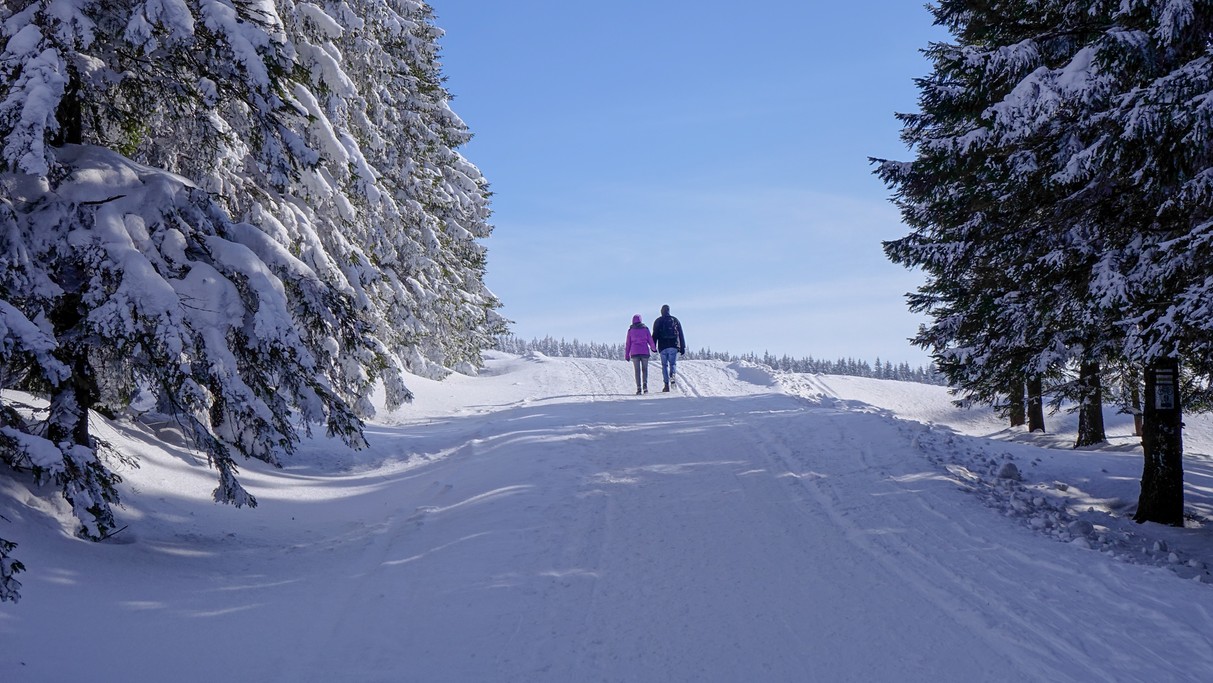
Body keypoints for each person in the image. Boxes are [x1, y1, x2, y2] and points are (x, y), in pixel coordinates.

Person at [651, 304, 686, 392]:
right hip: (673, 345)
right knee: (672, 364)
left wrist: (653, 346)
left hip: (663, 346)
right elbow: (681, 334)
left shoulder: (658, 321)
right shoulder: (674, 320)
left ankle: (666, 385)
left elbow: (654, 334)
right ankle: (672, 375)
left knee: (664, 365)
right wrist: (682, 347)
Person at [624, 313, 657, 394]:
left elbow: (628, 343)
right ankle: (645, 385)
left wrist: (627, 354)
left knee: (637, 370)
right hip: (644, 352)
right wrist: (653, 348)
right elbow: (650, 340)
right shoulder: (645, 329)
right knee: (645, 369)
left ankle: (638, 388)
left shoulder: (630, 331)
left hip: (635, 353)